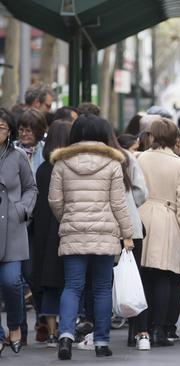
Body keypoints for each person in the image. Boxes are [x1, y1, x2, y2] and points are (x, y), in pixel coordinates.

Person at [48, 115, 134, 359]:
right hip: (105, 234)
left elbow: (54, 200)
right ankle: (101, 342)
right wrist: (127, 233)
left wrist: (68, 217)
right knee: (102, 289)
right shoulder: (112, 163)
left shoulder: (62, 162)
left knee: (73, 286)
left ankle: (65, 336)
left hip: (73, 232)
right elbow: (118, 204)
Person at [136, 118, 180, 347]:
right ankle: (159, 329)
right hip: (168, 218)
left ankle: (140, 331)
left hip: (141, 215)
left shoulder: (140, 158)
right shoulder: (179, 165)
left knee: (144, 276)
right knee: (165, 276)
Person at [30, 120, 72, 348]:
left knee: (50, 284)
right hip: (67, 231)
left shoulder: (43, 169)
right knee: (70, 283)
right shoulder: (70, 168)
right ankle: (68, 329)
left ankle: (53, 331)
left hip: (44, 235)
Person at [107, 133, 150, 351]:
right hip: (131, 227)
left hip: (101, 227)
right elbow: (142, 192)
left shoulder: (90, 157)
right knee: (134, 278)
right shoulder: (126, 157)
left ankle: (99, 333)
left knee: (101, 281)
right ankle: (141, 332)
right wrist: (129, 205)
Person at [0, 108, 37, 356]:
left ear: (9, 130)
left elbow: (30, 187)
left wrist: (22, 209)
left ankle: (15, 326)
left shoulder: (18, 156)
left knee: (12, 282)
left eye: (2, 127)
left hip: (12, 227)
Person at [15, 108, 48, 177]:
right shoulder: (11, 148)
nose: (23, 134)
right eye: (21, 130)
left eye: (28, 131)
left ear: (38, 131)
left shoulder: (46, 150)